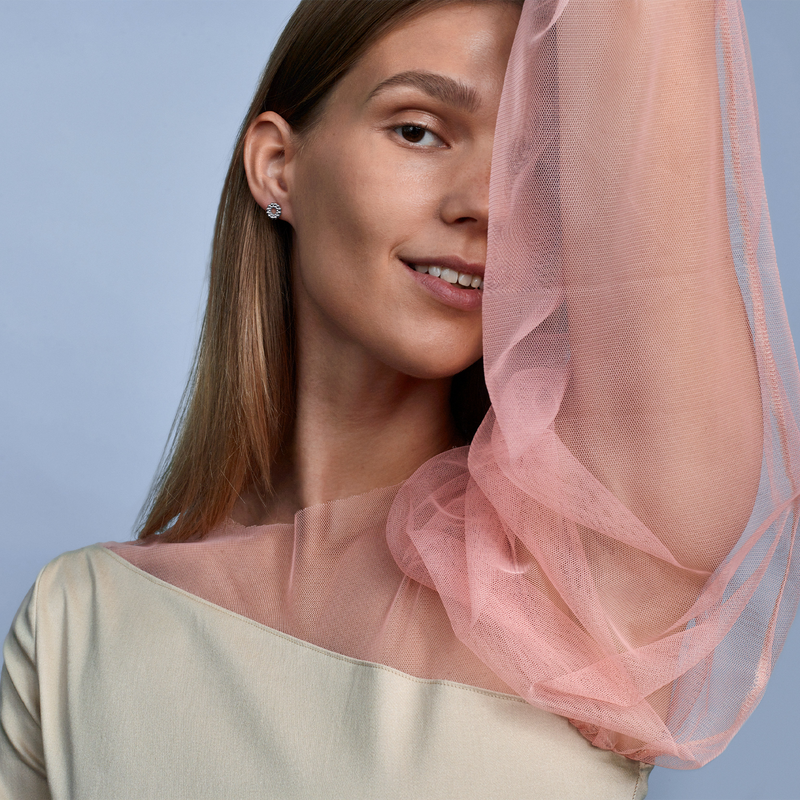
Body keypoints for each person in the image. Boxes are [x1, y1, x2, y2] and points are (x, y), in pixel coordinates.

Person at [1, 0, 797, 797]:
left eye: (533, 161)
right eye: (419, 130)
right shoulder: (80, 625)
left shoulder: (588, 561)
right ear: (278, 164)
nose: (483, 203)